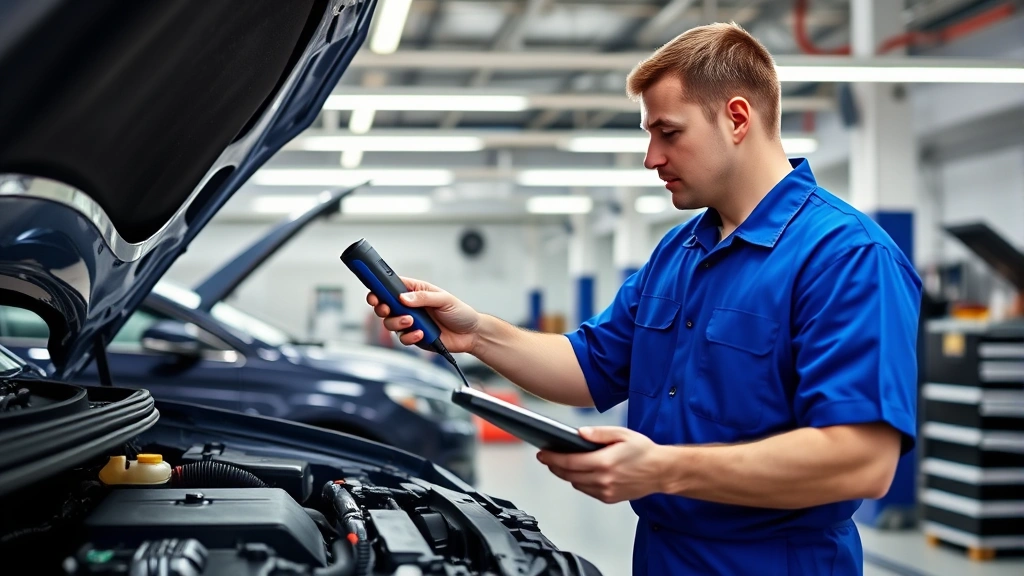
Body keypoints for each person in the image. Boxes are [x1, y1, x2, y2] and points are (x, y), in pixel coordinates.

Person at [364, 22, 922, 576]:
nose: (651, 157)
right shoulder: (678, 251)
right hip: (663, 556)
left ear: (736, 118)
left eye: (668, 132)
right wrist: (476, 333)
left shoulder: (846, 257)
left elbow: (862, 462)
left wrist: (663, 469)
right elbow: (588, 368)